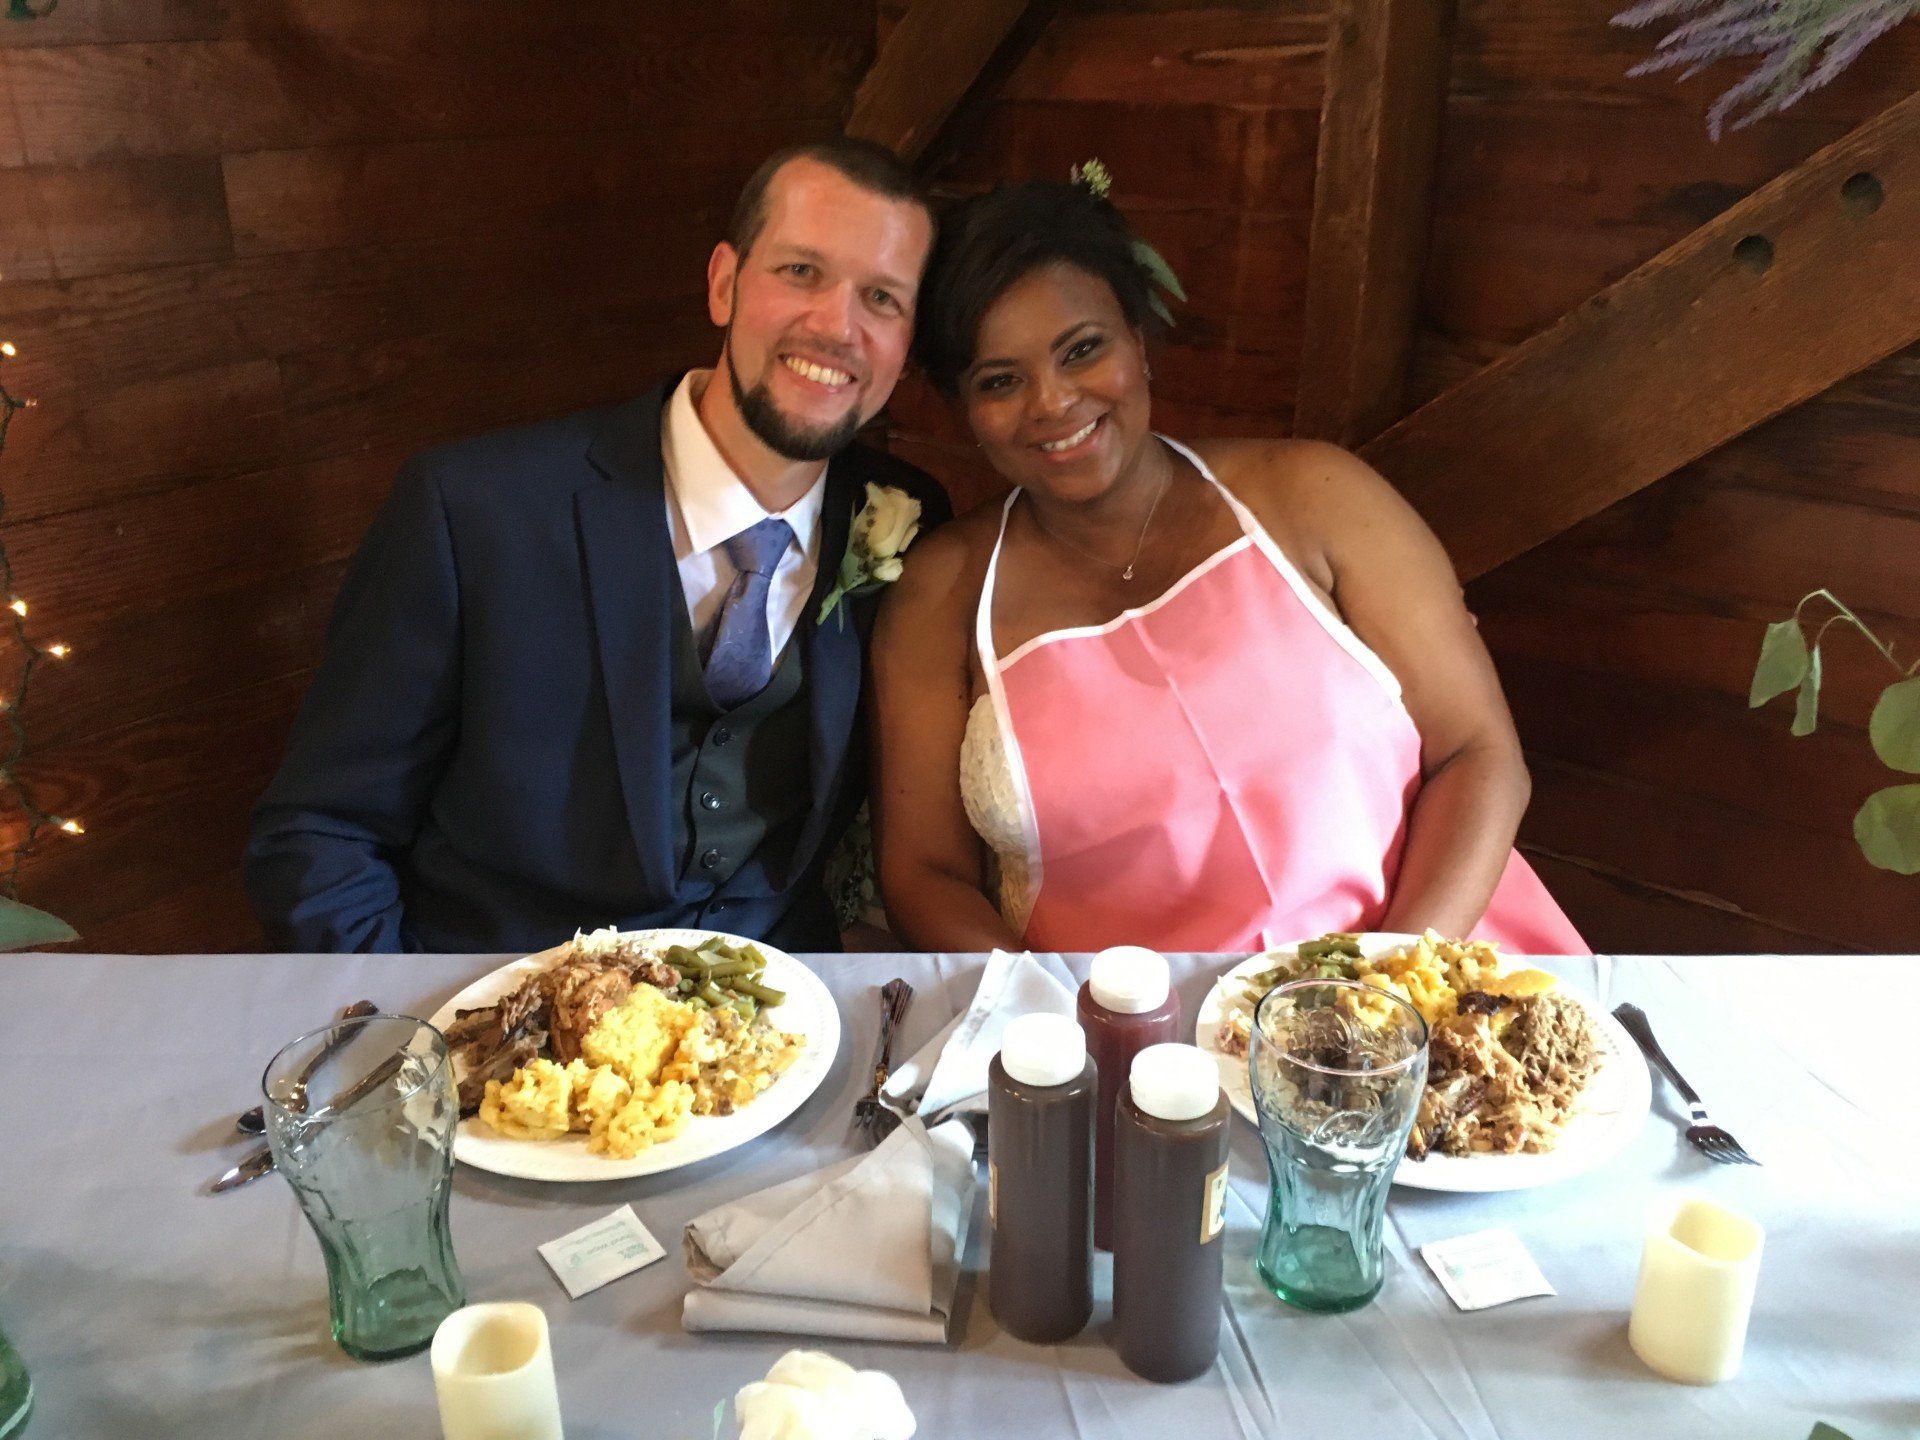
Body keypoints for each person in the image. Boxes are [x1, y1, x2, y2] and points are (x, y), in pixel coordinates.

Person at [245, 139, 949, 953]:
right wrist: (414, 1052)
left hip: (782, 1026)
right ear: (723, 283)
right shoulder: (475, 511)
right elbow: (319, 834)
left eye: (883, 299)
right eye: (800, 272)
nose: (836, 325)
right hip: (509, 1028)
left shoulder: (908, 517)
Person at [871, 178, 1585, 954]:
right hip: (1121, 1047)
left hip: (1425, 979)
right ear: (964, 409)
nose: (1052, 402)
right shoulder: (943, 594)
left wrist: (1386, 994)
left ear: (1138, 343)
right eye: (1000, 381)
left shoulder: (1318, 495)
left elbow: (1478, 753)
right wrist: (1058, 1028)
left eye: (1083, 349)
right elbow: (924, 871)